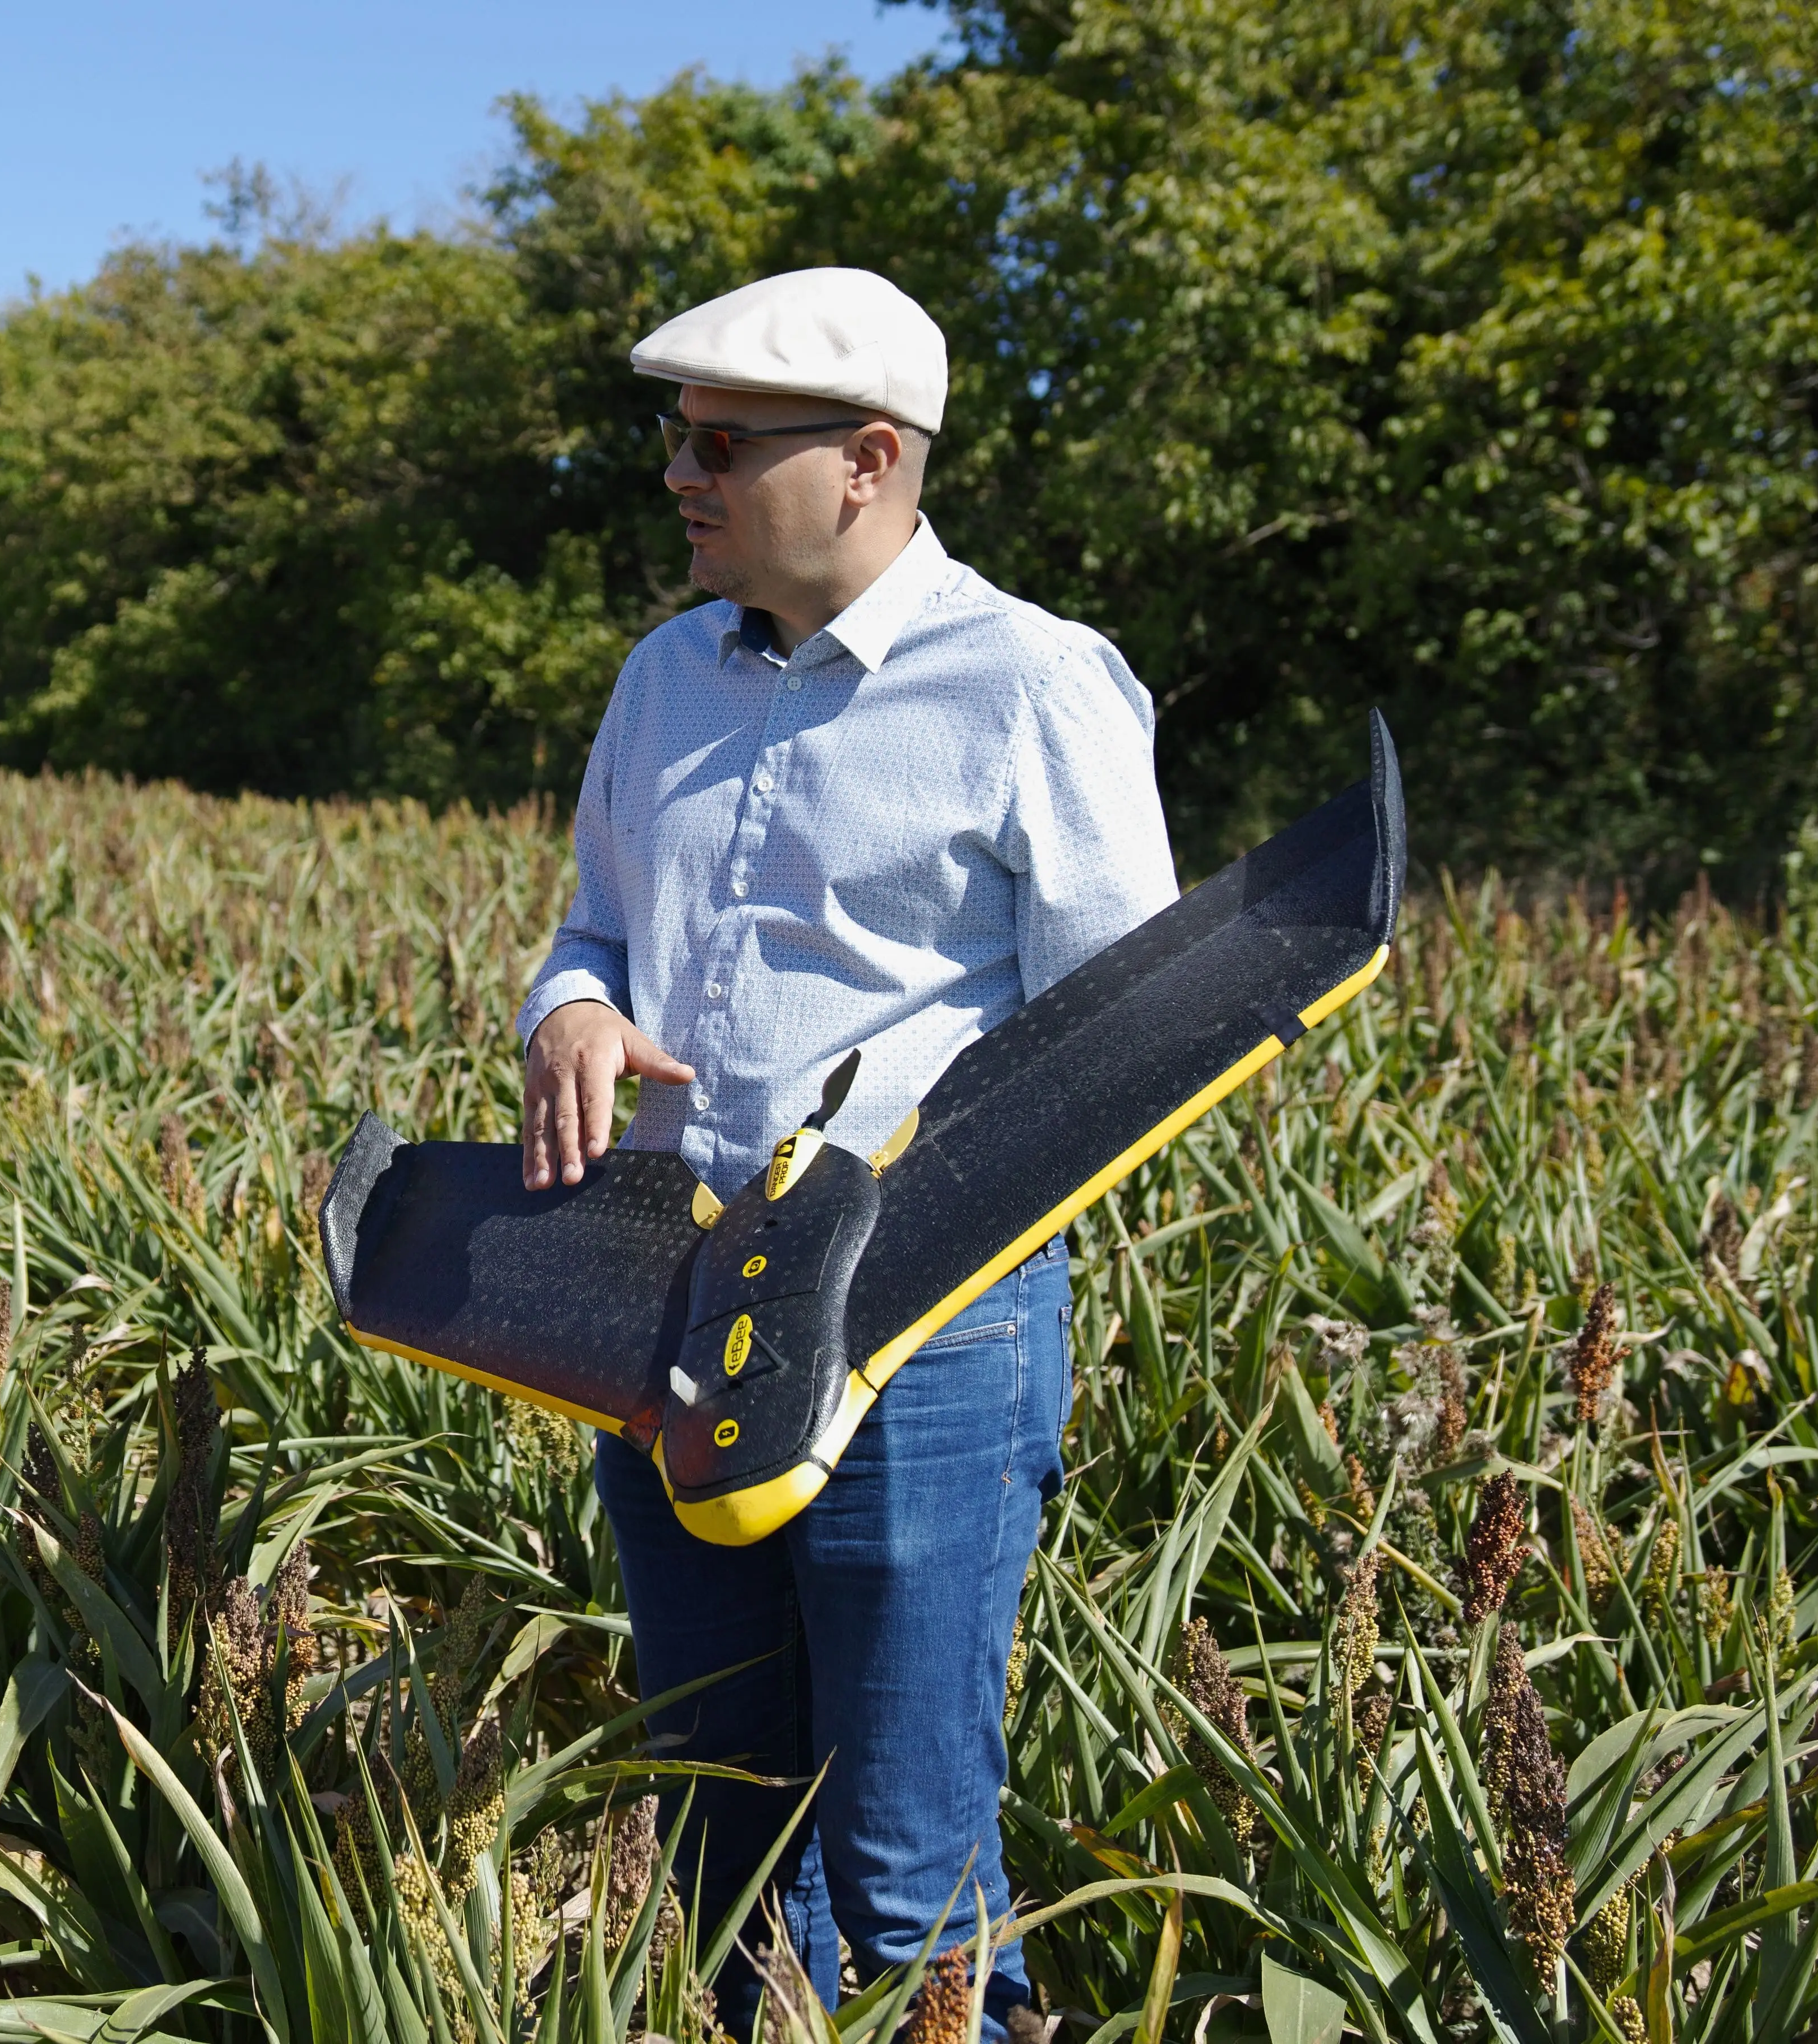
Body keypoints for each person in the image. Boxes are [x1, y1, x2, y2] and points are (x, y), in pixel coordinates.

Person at [515, 270, 1176, 2037]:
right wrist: (567, 1014)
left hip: (922, 1333)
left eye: (720, 443)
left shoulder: (1031, 684)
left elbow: (1125, 1042)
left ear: (871, 461)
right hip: (672, 1308)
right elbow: (593, 929)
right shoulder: (666, 678)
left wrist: (894, 1207)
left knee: (909, 1873)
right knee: (724, 1843)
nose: (680, 473)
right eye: (676, 438)